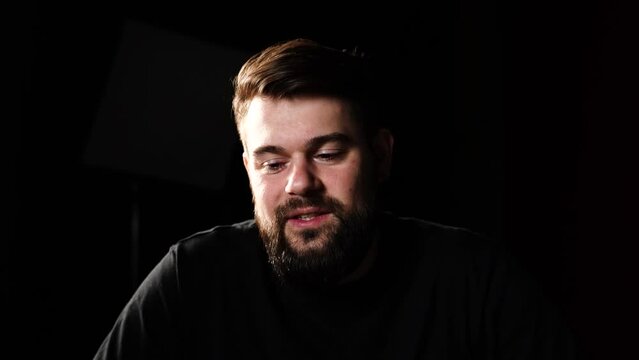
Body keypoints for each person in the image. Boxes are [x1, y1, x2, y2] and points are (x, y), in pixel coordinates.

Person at [93, 38, 577, 359]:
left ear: (381, 156)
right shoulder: (192, 277)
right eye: (272, 163)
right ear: (248, 171)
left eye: (326, 153)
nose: (300, 184)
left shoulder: (475, 280)